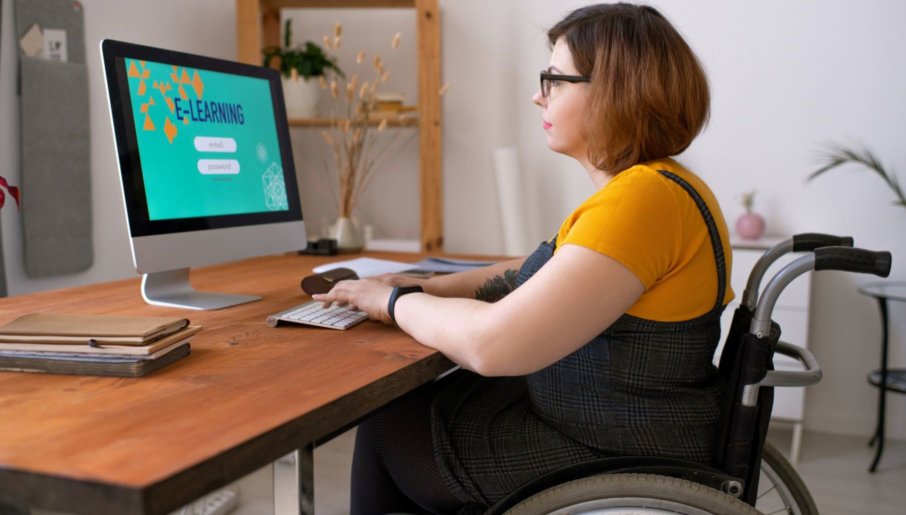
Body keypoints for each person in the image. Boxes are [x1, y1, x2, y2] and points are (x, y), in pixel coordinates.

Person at [313, 3, 733, 513]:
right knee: (425, 403)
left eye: (555, 80)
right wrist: (430, 286)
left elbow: (493, 345)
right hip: (621, 430)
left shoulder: (642, 200)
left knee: (387, 426)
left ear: (615, 89)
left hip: (613, 453)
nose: (539, 96)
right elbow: (536, 272)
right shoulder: (659, 186)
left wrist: (393, 302)